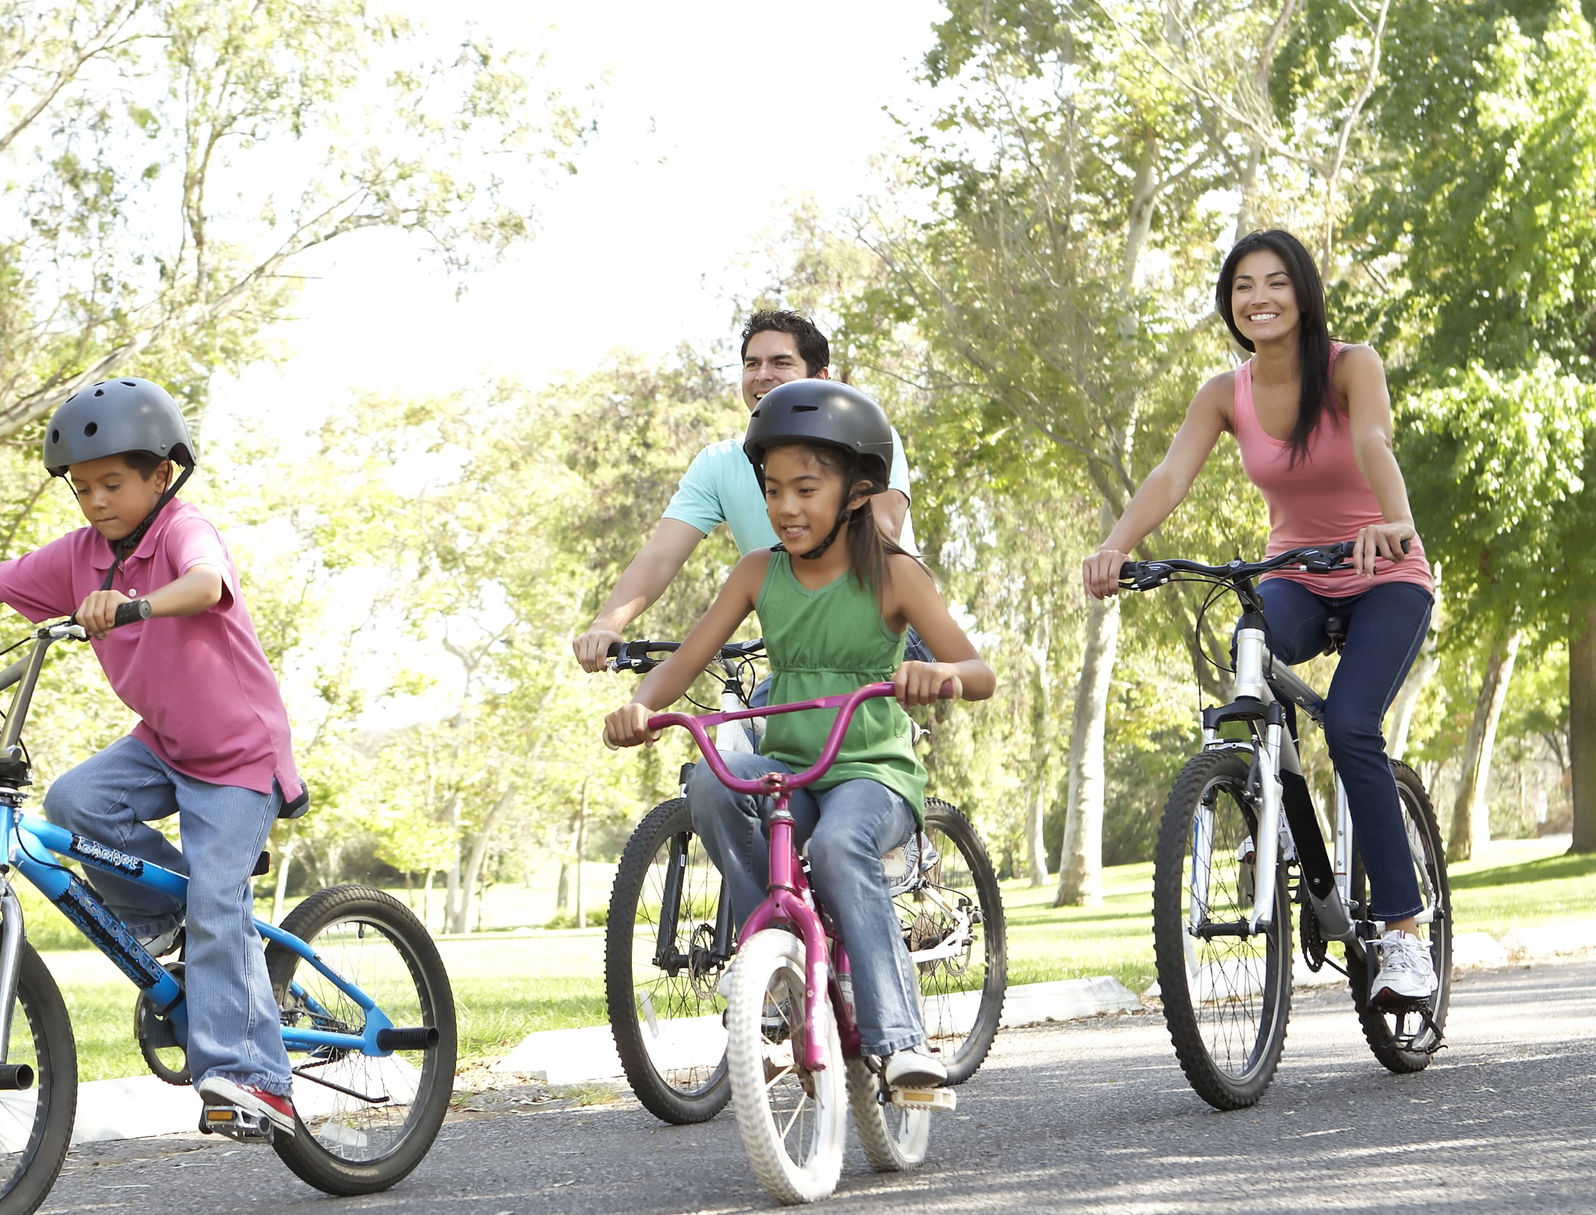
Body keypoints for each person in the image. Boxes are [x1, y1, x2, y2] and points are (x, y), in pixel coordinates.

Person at [0, 377, 305, 1135]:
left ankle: (257, 1080)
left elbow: (205, 581)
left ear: (162, 474)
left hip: (239, 754)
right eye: (82, 488)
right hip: (162, 743)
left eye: (112, 483)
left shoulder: (184, 531)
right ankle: (179, 918)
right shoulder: (81, 557)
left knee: (220, 904)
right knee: (75, 802)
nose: (95, 501)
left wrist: (136, 604)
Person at [1079, 228, 1437, 1008]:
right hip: (1297, 575)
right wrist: (1115, 547)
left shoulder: (1353, 365)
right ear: (1229, 302)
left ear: (1302, 293)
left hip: (1385, 573)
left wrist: (1396, 519)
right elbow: (1173, 472)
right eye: (1244, 286)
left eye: (1275, 282)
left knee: (1350, 723)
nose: (1260, 298)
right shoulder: (1223, 391)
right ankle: (1265, 804)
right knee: (1249, 636)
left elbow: (1374, 438)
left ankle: (1406, 934)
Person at [601, 379, 995, 1086]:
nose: (785, 507)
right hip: (791, 761)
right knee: (711, 784)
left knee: (843, 847)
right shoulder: (758, 572)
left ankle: (901, 1041)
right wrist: (641, 705)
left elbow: (980, 670)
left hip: (871, 771)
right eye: (772, 490)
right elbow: (687, 659)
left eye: (806, 488)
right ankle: (776, 952)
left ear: (857, 489)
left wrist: (941, 677)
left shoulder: (897, 577)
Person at [572, 310, 921, 672]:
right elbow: (661, 555)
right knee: (738, 723)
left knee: (797, 724)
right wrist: (607, 624)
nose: (762, 374)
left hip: (890, 628)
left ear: (821, 378)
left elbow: (883, 529)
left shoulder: (863, 435)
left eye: (781, 362)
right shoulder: (719, 464)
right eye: (752, 364)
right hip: (797, 647)